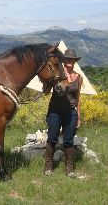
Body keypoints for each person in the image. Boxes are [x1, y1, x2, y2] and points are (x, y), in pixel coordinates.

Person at [43, 49, 83, 178]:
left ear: (75, 61)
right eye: (67, 59)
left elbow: (78, 98)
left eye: (72, 59)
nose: (70, 61)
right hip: (55, 110)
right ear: (63, 61)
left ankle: (69, 169)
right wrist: (49, 84)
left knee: (68, 140)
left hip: (71, 112)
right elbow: (46, 91)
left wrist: (79, 116)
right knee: (52, 138)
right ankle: (48, 167)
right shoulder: (57, 74)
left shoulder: (79, 77)